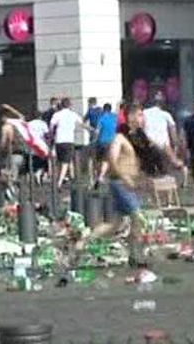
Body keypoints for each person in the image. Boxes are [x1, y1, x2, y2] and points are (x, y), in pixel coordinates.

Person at [76, 104, 148, 267]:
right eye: (140, 115)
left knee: (114, 223)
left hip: (128, 184)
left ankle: (83, 241)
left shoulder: (136, 138)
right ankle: (136, 255)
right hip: (120, 183)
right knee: (139, 218)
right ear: (130, 117)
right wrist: (125, 177)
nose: (142, 119)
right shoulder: (119, 138)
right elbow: (112, 160)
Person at [50, 97, 87, 189]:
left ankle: (59, 178)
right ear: (70, 105)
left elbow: (51, 126)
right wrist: (91, 129)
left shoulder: (57, 114)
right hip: (68, 140)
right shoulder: (73, 114)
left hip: (58, 140)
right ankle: (59, 182)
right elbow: (82, 124)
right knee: (65, 162)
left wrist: (51, 136)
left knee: (59, 161)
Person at [95, 103, 118, 186]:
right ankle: (101, 176)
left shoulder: (101, 118)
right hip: (111, 142)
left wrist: (95, 137)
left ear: (104, 110)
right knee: (106, 161)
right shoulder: (115, 118)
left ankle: (98, 176)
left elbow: (97, 131)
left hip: (101, 142)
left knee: (99, 160)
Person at [28, 110, 50, 185]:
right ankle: (39, 173)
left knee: (34, 161)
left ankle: (35, 173)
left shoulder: (29, 124)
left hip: (32, 145)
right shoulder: (43, 124)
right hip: (41, 145)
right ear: (40, 117)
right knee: (44, 161)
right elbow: (47, 135)